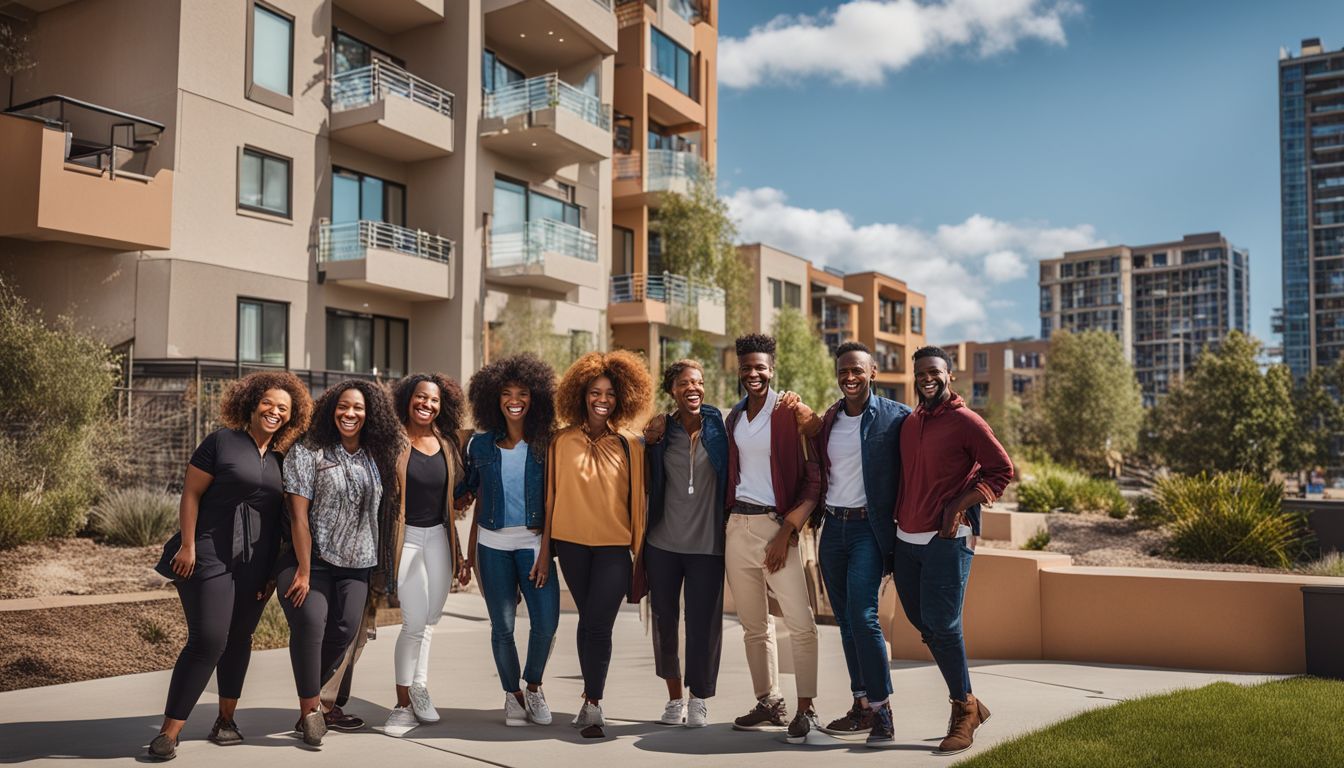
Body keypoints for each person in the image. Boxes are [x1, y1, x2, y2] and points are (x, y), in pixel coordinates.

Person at [148, 372, 313, 762]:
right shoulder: (221, 441)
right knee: (208, 639)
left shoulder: (279, 459)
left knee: (239, 638)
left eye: (283, 409)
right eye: (268, 403)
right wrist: (188, 544)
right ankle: (170, 732)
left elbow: (280, 518)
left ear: (291, 418)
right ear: (252, 404)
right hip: (207, 553)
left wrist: (273, 571)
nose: (274, 411)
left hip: (255, 564)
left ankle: (226, 720)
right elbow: (191, 493)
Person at [892, 346, 1013, 756]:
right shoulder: (911, 422)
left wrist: (956, 507)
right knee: (922, 621)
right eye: (920, 373)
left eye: (934, 372)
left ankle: (964, 708)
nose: (927, 378)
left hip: (947, 542)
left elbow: (1002, 469)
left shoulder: (966, 421)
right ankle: (972, 704)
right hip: (906, 540)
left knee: (942, 625)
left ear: (949, 376)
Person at [276, 379, 402, 748]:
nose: (350, 414)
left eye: (359, 408)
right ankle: (309, 712)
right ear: (331, 409)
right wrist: (302, 569)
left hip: (359, 560)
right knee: (312, 626)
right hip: (312, 559)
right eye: (343, 407)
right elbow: (299, 517)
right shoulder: (309, 451)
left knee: (346, 630)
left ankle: (318, 701)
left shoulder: (374, 454)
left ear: (370, 414)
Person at [537, 350, 652, 738]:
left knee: (599, 624)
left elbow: (640, 501)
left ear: (622, 398)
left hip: (614, 549)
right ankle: (589, 696)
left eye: (610, 394)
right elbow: (551, 497)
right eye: (594, 392)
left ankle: (594, 705)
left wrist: (641, 555)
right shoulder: (561, 442)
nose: (602, 400)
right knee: (588, 621)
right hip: (570, 544)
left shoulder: (630, 445)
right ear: (581, 395)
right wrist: (544, 551)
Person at [722, 333, 824, 744]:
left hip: (776, 528)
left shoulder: (789, 410)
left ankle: (807, 710)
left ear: (772, 369)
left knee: (801, 623)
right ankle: (769, 701)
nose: (753, 374)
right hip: (737, 528)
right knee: (753, 626)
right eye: (746, 367)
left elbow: (814, 477)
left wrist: (788, 530)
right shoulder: (735, 416)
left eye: (760, 367)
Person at [811, 342, 910, 747]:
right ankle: (862, 705)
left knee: (864, 616)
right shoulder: (829, 419)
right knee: (846, 621)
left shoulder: (896, 418)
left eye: (857, 370)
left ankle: (883, 710)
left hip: (870, 529)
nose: (849, 377)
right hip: (832, 528)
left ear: (872, 372)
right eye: (843, 371)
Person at [457, 354, 560, 728]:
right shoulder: (480, 446)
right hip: (492, 547)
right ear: (494, 399)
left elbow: (555, 500)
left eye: (523, 393)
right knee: (502, 627)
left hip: (534, 546)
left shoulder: (548, 443)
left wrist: (547, 552)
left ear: (536, 399)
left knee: (546, 624)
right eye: (505, 393)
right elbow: (465, 491)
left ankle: (533, 686)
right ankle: (512, 696)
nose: (514, 400)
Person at [642, 359, 728, 728]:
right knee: (664, 622)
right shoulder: (661, 434)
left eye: (699, 382)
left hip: (708, 545)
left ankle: (699, 700)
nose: (693, 388)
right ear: (671, 390)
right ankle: (674, 698)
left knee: (704, 626)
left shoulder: (720, 428)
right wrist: (650, 433)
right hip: (663, 543)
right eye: (684, 383)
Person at [382, 373, 467, 736]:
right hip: (408, 539)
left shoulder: (447, 444)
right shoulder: (392, 441)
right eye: (420, 397)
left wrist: (460, 554)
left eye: (433, 400)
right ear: (408, 399)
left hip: (439, 539)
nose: (426, 404)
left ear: (441, 405)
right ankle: (401, 705)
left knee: (430, 619)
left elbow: (455, 497)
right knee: (413, 622)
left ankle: (418, 687)